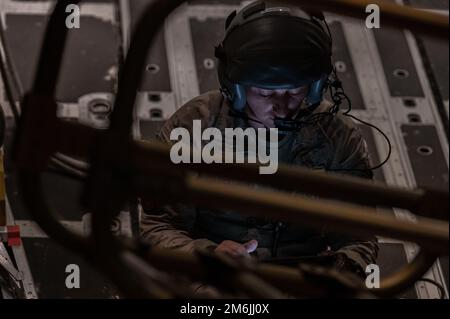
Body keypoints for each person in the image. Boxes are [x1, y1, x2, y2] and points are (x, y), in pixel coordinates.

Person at [140, 1, 378, 281]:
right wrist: (205, 253)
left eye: (294, 91)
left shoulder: (337, 137)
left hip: (304, 281)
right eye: (266, 95)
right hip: (216, 277)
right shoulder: (193, 128)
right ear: (236, 88)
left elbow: (359, 237)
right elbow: (157, 226)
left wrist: (343, 267)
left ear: (314, 88)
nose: (282, 107)